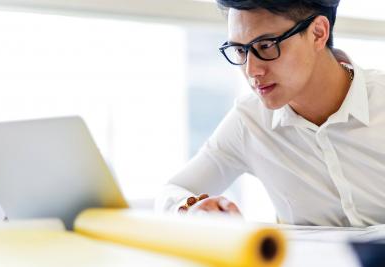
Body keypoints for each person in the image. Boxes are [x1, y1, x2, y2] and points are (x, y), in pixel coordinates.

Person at [155, 0, 385, 227]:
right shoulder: (250, 120)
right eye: (239, 50)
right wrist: (191, 209)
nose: (251, 70)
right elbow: (172, 191)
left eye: (265, 46)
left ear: (318, 33)